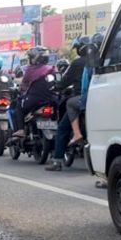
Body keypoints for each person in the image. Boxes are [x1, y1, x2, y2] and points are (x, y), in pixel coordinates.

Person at [47, 36, 91, 171]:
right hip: (98, 99)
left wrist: (57, 86)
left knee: (62, 128)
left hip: (80, 99)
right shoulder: (101, 60)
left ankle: (57, 161)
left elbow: (65, 81)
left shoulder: (77, 63)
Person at [11, 46, 56, 138]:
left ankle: (21, 130)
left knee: (18, 107)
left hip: (34, 100)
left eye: (30, 58)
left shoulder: (30, 70)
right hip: (52, 99)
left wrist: (20, 90)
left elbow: (23, 86)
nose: (30, 60)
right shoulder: (52, 68)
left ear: (35, 58)